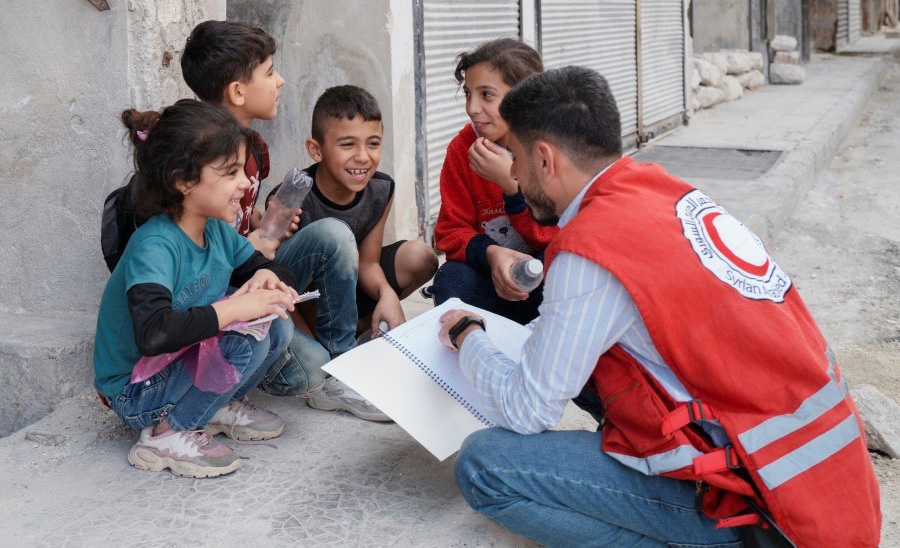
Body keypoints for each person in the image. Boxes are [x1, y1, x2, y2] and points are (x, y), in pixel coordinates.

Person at [439, 67, 881, 546]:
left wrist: (469, 336)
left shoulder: (591, 248)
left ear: (544, 159)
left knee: (484, 465)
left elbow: (527, 411)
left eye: (517, 160)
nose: (516, 177)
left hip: (766, 513)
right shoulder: (664, 191)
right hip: (831, 493)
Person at [94, 100, 297, 478]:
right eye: (231, 172)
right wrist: (236, 310)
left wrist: (268, 279)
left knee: (278, 323)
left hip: (170, 369)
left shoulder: (218, 231)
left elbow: (273, 267)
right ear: (184, 181)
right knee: (244, 338)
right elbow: (154, 334)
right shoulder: (155, 245)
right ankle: (164, 435)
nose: (245, 183)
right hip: (134, 388)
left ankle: (214, 406)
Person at [180, 21, 361, 405]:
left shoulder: (256, 148)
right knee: (309, 368)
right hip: (218, 293)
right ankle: (232, 384)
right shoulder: (197, 156)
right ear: (238, 91)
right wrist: (251, 244)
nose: (280, 81)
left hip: (252, 265)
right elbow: (193, 261)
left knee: (333, 234)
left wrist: (263, 223)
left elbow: (243, 226)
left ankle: (346, 368)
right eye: (269, 72)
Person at [266, 85, 438, 419]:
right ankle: (344, 362)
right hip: (301, 300)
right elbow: (282, 280)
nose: (363, 156)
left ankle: (360, 332)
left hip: (347, 286)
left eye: (373, 143)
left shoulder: (380, 188)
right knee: (314, 364)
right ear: (316, 150)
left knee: (420, 256)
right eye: (347, 144)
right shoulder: (293, 194)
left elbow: (369, 262)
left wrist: (388, 295)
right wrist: (311, 341)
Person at [429, 38, 558, 325]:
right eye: (467, 94)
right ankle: (469, 342)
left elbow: (554, 236)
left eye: (487, 95)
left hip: (539, 291)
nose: (472, 108)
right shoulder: (462, 150)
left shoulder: (551, 148)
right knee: (451, 278)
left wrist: (512, 189)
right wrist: (491, 253)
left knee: (560, 264)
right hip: (488, 280)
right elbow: (451, 230)